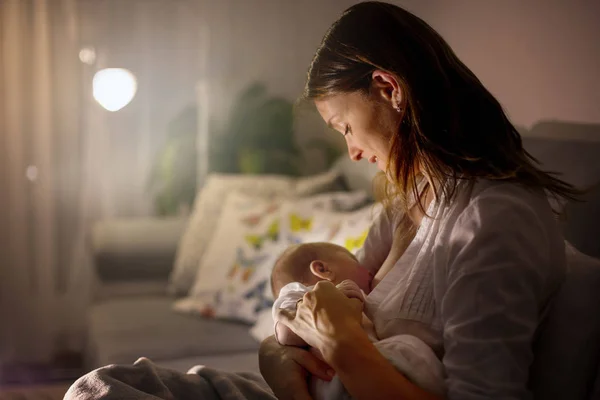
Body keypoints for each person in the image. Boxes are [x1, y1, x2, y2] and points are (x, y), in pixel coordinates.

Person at [64, 2, 582, 399]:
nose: (352, 152)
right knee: (107, 385)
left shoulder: (494, 221)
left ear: (388, 88)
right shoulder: (412, 199)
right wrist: (277, 354)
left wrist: (338, 341)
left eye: (345, 127)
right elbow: (327, 303)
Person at [270, 242, 446, 399]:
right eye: (356, 261)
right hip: (332, 375)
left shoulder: (361, 296)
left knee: (411, 348)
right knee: (410, 347)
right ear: (323, 270)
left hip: (373, 363)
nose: (370, 271)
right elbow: (285, 327)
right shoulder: (299, 292)